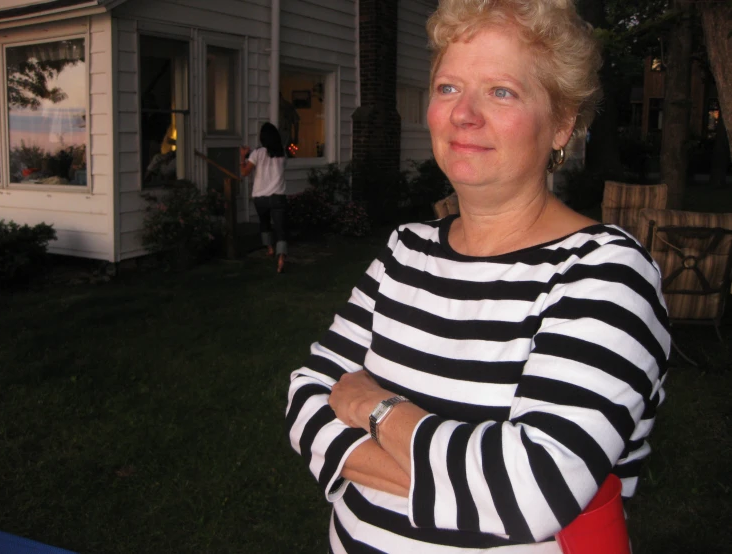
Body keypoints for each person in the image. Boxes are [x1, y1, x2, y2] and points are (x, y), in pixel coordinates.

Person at [286, 0, 670, 552]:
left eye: (501, 91)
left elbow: (530, 494)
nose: (463, 113)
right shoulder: (405, 251)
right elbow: (306, 397)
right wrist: (468, 483)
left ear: (562, 123)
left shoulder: (604, 275)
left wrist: (374, 408)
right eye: (448, 88)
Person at [241, 122, 288, 273]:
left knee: (264, 223)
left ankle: (269, 248)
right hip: (278, 197)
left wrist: (243, 157)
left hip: (260, 197)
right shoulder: (283, 154)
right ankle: (281, 258)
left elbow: (244, 172)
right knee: (280, 228)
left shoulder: (257, 153)